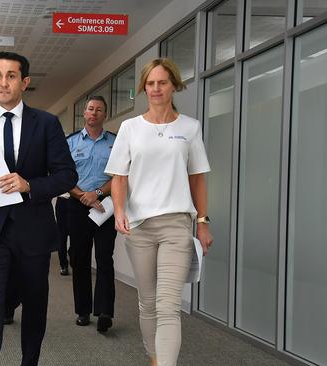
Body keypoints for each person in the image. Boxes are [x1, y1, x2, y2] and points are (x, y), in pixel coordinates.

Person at [0, 51, 77, 366]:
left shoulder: (47, 124)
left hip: (32, 231)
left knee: (35, 306)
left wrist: (30, 186)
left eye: (10, 76)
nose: (3, 83)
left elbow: (67, 176)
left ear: (25, 82)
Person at [105, 58, 213, 366]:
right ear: (144, 87)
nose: (155, 88)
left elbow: (198, 178)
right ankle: (155, 358)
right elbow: (119, 177)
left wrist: (202, 222)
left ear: (174, 85)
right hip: (140, 227)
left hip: (177, 226)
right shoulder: (130, 128)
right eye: (150, 83)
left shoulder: (190, 128)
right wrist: (120, 211)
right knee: (148, 303)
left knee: (168, 305)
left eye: (162, 82)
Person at [66, 95, 117, 332]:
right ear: (84, 113)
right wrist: (82, 196)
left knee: (105, 258)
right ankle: (83, 311)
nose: (94, 112)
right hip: (78, 206)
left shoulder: (116, 142)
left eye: (99, 109)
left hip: (106, 206)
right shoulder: (71, 142)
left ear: (104, 115)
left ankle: (105, 311)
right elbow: (63, 176)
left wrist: (96, 193)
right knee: (80, 259)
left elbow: (120, 175)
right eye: (90, 109)